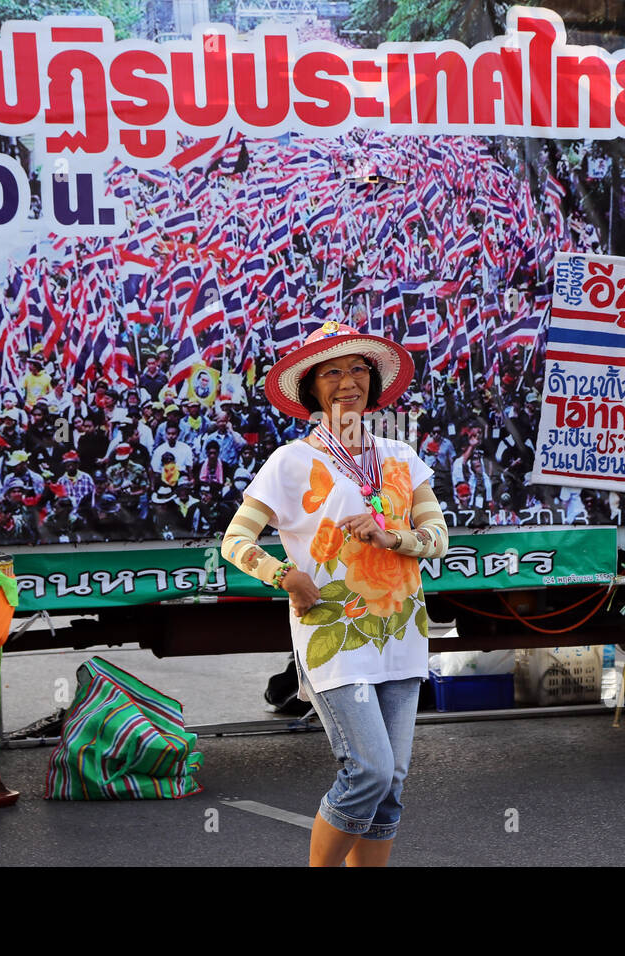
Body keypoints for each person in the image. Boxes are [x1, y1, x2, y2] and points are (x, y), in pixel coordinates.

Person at [221, 320, 448, 867]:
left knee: (391, 780)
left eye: (358, 369)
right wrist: (284, 576)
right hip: (335, 633)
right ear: (312, 388)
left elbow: (438, 538)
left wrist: (393, 537)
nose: (348, 381)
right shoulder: (291, 461)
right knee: (367, 768)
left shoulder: (401, 455)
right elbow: (235, 540)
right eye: (333, 371)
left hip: (401, 632)